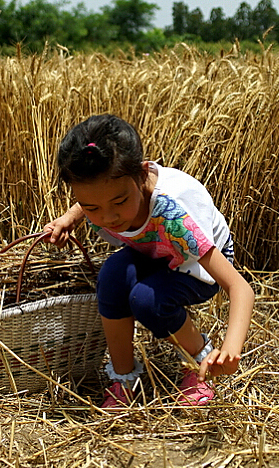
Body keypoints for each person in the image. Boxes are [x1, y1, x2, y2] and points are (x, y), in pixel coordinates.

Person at [42, 114, 254, 409]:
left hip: (196, 264)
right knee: (112, 276)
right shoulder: (108, 190)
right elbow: (95, 196)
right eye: (93, 208)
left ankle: (198, 361)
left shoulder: (173, 212)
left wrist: (231, 349)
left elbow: (240, 288)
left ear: (142, 175)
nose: (108, 218)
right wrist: (69, 218)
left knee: (147, 300)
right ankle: (125, 377)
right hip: (156, 250)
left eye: (119, 202)